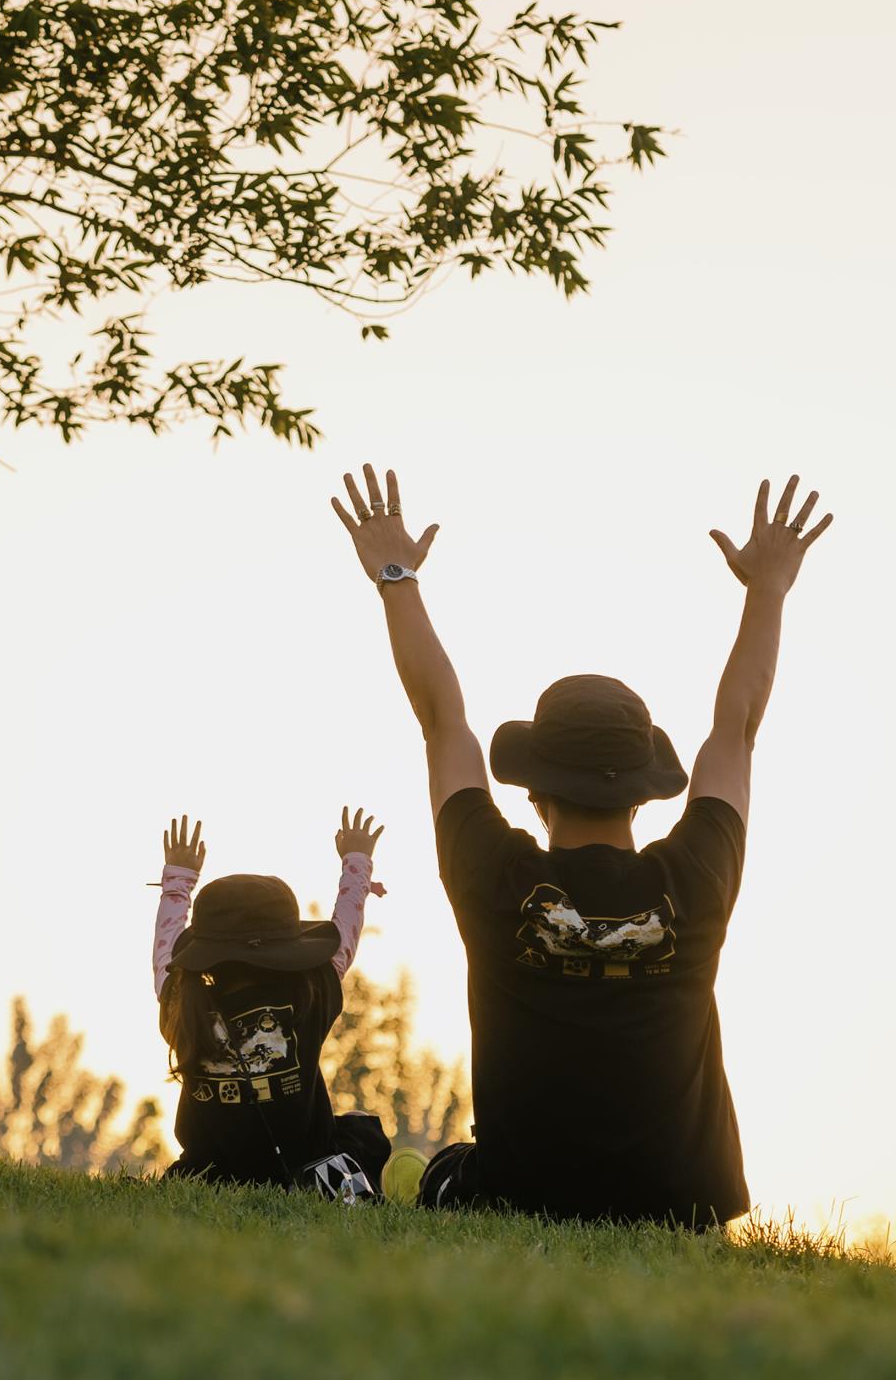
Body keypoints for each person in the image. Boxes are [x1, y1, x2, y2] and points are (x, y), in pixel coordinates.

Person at [331, 464, 833, 1231]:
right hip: (681, 1207)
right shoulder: (697, 876)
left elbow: (441, 719)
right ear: (644, 793)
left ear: (534, 791)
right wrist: (767, 591)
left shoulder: (494, 874)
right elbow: (737, 727)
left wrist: (395, 577)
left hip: (519, 1194)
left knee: (435, 1175)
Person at [153, 810, 392, 1200]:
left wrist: (178, 878)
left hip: (207, 1173)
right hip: (304, 1171)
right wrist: (357, 862)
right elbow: (346, 933)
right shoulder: (308, 996)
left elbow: (164, 952)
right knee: (362, 1131)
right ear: (289, 948)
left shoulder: (183, 1004)